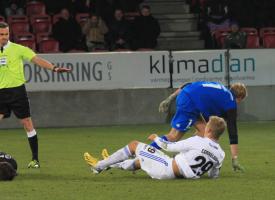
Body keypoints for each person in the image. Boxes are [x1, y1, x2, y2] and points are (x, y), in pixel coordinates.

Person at [0, 21, 71, 168]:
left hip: (17, 92)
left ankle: (35, 160)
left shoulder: (18, 49)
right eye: (1, 34)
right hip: (0, 93)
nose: (4, 37)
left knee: (27, 124)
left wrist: (55, 69)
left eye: (6, 34)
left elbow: (37, 60)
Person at [84, 116, 226, 180]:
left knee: (134, 145)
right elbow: (214, 175)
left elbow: (169, 147)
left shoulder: (198, 141)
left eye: (206, 126)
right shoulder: (221, 153)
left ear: (209, 131)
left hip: (167, 169)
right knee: (140, 161)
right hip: (174, 169)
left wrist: (156, 138)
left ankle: (99, 165)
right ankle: (112, 163)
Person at [156, 81, 247, 172]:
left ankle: (181, 156)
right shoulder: (231, 103)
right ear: (239, 98)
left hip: (189, 98)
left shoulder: (221, 90)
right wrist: (234, 158)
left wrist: (170, 98)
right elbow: (233, 132)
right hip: (189, 102)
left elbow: (188, 85)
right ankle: (145, 153)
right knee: (173, 136)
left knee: (204, 132)